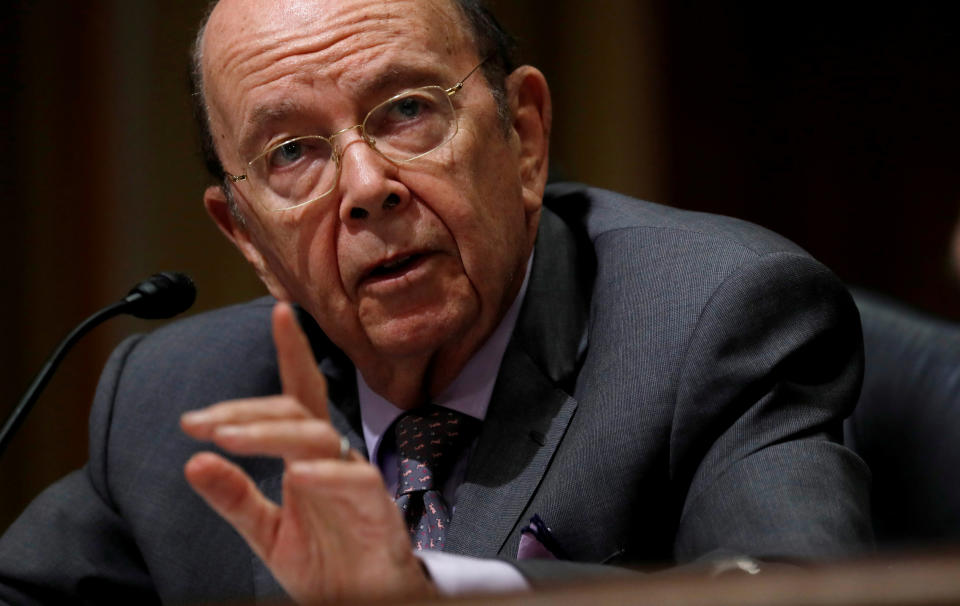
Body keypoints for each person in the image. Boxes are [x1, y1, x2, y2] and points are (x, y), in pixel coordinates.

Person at [0, 0, 872, 603]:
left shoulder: (714, 318)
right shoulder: (178, 401)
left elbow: (798, 591)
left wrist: (430, 594)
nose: (367, 187)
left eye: (409, 108)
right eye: (294, 152)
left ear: (525, 137)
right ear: (245, 237)